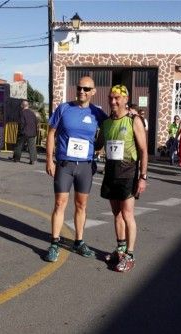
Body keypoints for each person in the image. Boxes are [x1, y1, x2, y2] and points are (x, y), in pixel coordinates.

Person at [44, 76, 107, 262]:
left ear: (93, 92)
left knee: (81, 205)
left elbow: (107, 128)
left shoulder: (97, 113)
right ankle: (54, 242)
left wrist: (100, 146)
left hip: (86, 166)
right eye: (79, 88)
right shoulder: (64, 108)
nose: (82, 91)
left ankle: (78, 241)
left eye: (86, 89)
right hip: (65, 164)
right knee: (60, 203)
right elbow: (51, 133)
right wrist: (49, 159)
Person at [97, 85, 148, 273]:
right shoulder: (107, 122)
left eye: (117, 98)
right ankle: (120, 250)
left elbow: (143, 150)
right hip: (111, 171)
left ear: (126, 99)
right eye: (111, 97)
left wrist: (142, 177)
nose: (113, 101)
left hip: (128, 172)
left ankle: (130, 255)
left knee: (127, 214)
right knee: (116, 214)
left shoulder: (134, 120)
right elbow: (98, 144)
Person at [12, 100, 38, 164]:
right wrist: (35, 131)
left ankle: (16, 158)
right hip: (32, 132)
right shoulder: (32, 113)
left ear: (22, 106)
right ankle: (33, 160)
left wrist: (20, 131)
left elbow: (21, 123)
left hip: (24, 132)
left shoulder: (22, 113)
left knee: (19, 145)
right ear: (28, 105)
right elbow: (36, 122)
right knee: (32, 146)